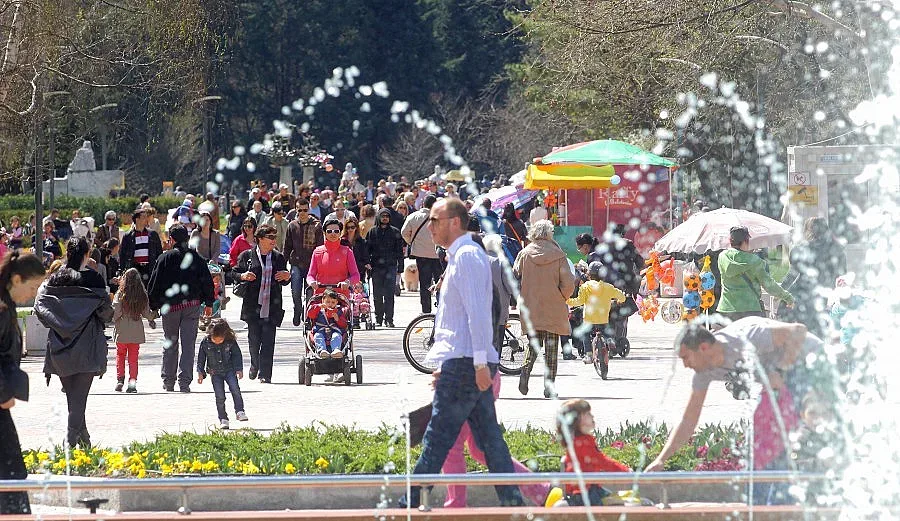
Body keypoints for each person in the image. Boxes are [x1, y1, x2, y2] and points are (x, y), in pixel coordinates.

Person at [399, 198, 525, 509]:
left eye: (435, 220)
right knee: (488, 441)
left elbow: (478, 314)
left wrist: (480, 362)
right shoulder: (462, 256)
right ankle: (513, 502)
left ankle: (408, 501)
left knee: (438, 436)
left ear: (455, 222)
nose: (430, 226)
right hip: (466, 361)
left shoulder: (467, 257)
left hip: (468, 363)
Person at [645, 317, 835, 503]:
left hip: (813, 363)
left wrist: (781, 370)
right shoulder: (704, 372)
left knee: (787, 426)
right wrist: (661, 459)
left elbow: (798, 331)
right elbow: (688, 420)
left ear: (703, 348)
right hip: (783, 381)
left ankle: (811, 483)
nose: (685, 365)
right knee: (761, 437)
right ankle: (762, 505)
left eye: (685, 357)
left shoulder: (747, 337)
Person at [35, 237, 113, 449]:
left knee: (74, 398)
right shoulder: (95, 279)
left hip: (59, 345)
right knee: (79, 399)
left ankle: (84, 438)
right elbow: (106, 313)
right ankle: (69, 443)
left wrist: (58, 323)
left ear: (68, 253)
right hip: (87, 346)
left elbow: (40, 308)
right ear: (87, 254)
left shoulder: (55, 278)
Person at [0, 252, 45, 515]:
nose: (33, 294)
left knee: (11, 468)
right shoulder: (3, 309)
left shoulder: (7, 305)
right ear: (16, 279)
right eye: (32, 287)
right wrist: (4, 393)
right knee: (10, 469)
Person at [148, 224, 215, 393]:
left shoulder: (165, 258)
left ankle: (168, 380)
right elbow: (206, 280)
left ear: (171, 239)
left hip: (170, 308)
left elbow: (154, 283)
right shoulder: (196, 258)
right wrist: (208, 303)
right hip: (191, 306)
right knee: (188, 344)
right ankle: (184, 381)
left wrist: (153, 305)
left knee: (170, 343)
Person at [514, 220, 576, 398]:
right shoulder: (558, 255)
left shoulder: (524, 254)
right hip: (553, 306)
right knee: (551, 349)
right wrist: (561, 296)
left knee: (533, 344)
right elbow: (569, 283)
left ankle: (525, 370)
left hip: (531, 305)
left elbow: (515, 275)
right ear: (550, 234)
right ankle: (549, 387)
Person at [234, 224, 291, 383]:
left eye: (275, 237)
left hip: (272, 305)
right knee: (254, 340)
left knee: (268, 341)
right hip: (253, 305)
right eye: (270, 237)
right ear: (260, 239)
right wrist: (243, 275)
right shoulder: (247, 256)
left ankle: (265, 375)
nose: (274, 240)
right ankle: (254, 364)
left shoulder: (278, 257)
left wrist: (287, 276)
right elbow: (234, 273)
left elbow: (284, 280)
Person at [556, 399, 630, 506]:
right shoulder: (582, 443)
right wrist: (625, 471)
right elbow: (601, 461)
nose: (592, 416)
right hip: (584, 494)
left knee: (615, 500)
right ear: (576, 420)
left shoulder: (581, 440)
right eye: (588, 414)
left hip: (589, 488)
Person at [784, 217, 846, 337]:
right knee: (825, 334)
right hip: (828, 298)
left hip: (804, 299)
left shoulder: (800, 250)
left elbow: (792, 275)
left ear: (808, 231)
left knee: (805, 334)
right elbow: (841, 277)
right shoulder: (837, 249)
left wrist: (780, 291)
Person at [717, 226, 794, 321]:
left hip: (726, 309)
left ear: (730, 241)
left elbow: (737, 257)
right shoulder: (754, 260)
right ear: (746, 241)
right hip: (750, 309)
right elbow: (769, 285)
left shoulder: (722, 256)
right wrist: (787, 297)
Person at [567, 262, 626, 370]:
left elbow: (579, 301)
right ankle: (609, 341)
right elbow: (621, 296)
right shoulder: (608, 287)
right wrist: (620, 300)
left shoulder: (585, 287)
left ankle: (589, 354)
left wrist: (568, 301)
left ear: (589, 274)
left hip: (589, 319)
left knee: (585, 334)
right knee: (606, 330)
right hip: (603, 318)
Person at [196, 319, 247, 430]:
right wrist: (200, 372)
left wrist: (239, 369)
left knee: (235, 389)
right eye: (215, 339)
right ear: (211, 334)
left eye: (221, 339)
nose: (218, 342)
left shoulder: (230, 341)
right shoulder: (205, 342)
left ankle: (240, 411)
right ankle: (223, 418)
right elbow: (201, 358)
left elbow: (237, 354)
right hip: (215, 373)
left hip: (229, 370)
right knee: (220, 396)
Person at [112, 268, 157, 393]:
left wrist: (113, 320)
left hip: (122, 328)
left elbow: (116, 310)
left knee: (120, 355)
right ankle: (132, 383)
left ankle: (120, 379)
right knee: (133, 358)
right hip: (136, 328)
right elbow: (147, 313)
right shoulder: (142, 295)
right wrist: (153, 317)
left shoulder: (120, 293)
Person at [283, 198, 324, 325]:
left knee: (310, 293)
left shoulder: (316, 225)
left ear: (308, 210)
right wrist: (283, 265)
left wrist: (321, 266)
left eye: (305, 210)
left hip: (312, 265)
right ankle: (297, 309)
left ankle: (308, 315)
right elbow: (287, 247)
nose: (302, 212)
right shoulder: (292, 225)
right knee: (295, 291)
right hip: (295, 263)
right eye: (299, 210)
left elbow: (320, 247)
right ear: (296, 210)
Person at [402, 195, 442, 314]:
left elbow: (404, 232)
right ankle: (441, 307)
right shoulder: (441, 217)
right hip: (437, 254)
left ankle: (426, 311)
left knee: (424, 284)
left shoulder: (413, 216)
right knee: (440, 282)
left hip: (421, 255)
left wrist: (412, 242)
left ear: (423, 204)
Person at [366, 208, 404, 328]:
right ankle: (378, 318)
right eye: (382, 216)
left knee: (389, 294)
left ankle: (389, 319)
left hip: (391, 266)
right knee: (377, 294)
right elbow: (367, 250)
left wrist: (400, 267)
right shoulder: (372, 232)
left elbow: (399, 251)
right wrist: (367, 263)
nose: (385, 218)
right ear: (379, 217)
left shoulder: (395, 232)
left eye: (387, 216)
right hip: (376, 267)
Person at [307, 217, 361, 295]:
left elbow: (356, 275)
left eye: (336, 231)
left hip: (341, 296)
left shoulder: (347, 251)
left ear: (340, 233)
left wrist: (348, 282)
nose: (333, 234)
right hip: (321, 296)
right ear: (324, 233)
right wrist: (312, 282)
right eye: (329, 231)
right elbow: (310, 275)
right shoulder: (317, 252)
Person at [119, 207, 164, 286]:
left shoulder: (153, 234)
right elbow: (122, 255)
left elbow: (159, 253)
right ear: (137, 219)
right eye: (143, 217)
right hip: (135, 268)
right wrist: (122, 272)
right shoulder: (128, 236)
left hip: (149, 268)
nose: (146, 219)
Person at [307, 289, 349, 359]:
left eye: (333, 302)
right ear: (323, 301)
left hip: (334, 330)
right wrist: (318, 307)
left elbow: (344, 325)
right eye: (328, 302)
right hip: (320, 330)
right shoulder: (318, 309)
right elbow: (310, 315)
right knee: (318, 336)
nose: (330, 304)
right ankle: (322, 350)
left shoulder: (339, 311)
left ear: (336, 302)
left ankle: (336, 350)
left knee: (337, 336)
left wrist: (338, 319)